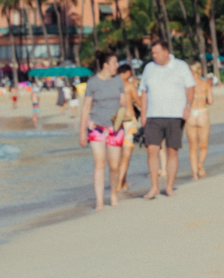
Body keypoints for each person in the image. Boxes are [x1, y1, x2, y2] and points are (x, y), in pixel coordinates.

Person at [138, 35, 195, 198]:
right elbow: (144, 91)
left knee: (172, 151)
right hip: (153, 115)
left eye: (156, 53)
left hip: (175, 115)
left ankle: (169, 186)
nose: (154, 56)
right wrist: (143, 113)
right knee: (152, 150)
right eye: (152, 53)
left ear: (166, 52)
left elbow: (190, 87)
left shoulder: (180, 66)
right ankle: (154, 186)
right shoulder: (149, 68)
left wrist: (188, 106)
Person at [78, 50, 127, 211]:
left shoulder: (118, 80)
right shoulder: (93, 82)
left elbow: (123, 103)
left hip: (115, 128)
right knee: (99, 164)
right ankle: (99, 201)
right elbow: (86, 107)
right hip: (96, 128)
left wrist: (123, 117)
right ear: (106, 65)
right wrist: (82, 133)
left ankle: (113, 195)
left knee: (114, 166)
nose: (117, 66)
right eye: (114, 63)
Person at [185, 60, 214, 181]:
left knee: (192, 146)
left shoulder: (187, 86)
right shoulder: (205, 84)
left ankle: (194, 174)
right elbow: (210, 101)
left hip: (191, 114)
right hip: (202, 113)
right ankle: (200, 164)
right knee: (203, 145)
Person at [117, 64, 142, 193]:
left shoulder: (111, 86)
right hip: (128, 121)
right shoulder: (129, 85)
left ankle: (123, 181)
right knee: (126, 155)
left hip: (115, 122)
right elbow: (139, 101)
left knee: (118, 154)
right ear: (127, 73)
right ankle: (118, 184)